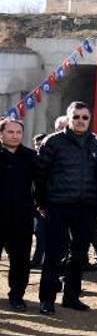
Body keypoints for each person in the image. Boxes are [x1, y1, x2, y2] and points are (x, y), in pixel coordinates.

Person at [36, 102, 97, 314]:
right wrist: (42, 203)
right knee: (54, 253)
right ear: (69, 118)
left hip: (86, 207)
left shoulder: (94, 143)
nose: (81, 121)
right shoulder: (53, 142)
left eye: (84, 117)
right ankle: (47, 299)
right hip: (58, 205)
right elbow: (40, 175)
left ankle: (71, 297)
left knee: (79, 255)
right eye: (76, 117)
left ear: (89, 120)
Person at [0, 118, 37, 311]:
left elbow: (39, 186)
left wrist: (40, 206)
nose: (15, 136)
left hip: (21, 217)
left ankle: (17, 296)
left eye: (18, 132)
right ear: (1, 134)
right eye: (10, 132)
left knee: (21, 260)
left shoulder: (31, 157)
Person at [29, 133, 47, 268]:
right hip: (31, 204)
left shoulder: (52, 160)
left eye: (41, 145)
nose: (38, 147)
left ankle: (37, 260)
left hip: (45, 205)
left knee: (41, 234)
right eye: (36, 145)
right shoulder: (30, 159)